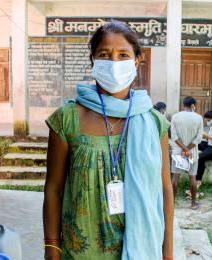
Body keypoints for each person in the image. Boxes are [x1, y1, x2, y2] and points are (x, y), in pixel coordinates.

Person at [43, 21, 174, 260]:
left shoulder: (154, 123)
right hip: (81, 251)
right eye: (104, 54)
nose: (114, 63)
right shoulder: (68, 119)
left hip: (143, 248)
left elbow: (165, 189)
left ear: (136, 60)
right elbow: (54, 188)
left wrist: (167, 251)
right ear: (93, 59)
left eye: (123, 55)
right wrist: (51, 248)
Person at [171, 96, 203, 210]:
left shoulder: (175, 116)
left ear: (183, 104)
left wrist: (184, 149)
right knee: (192, 177)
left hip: (178, 152)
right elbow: (198, 138)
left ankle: (172, 203)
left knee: (175, 177)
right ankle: (193, 203)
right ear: (193, 105)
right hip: (192, 153)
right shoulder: (199, 118)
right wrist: (188, 149)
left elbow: (174, 137)